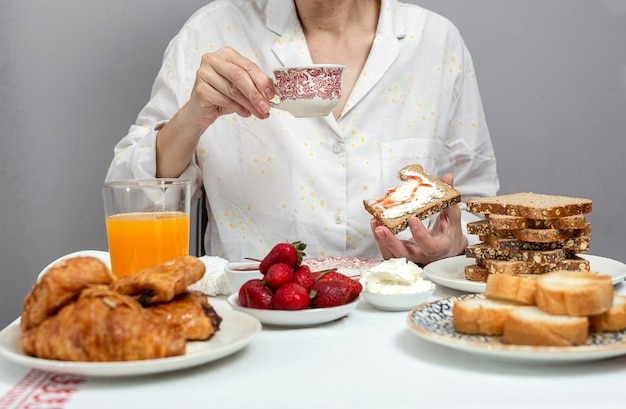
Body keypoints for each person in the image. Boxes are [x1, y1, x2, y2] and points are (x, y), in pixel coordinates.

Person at [105, 0, 499, 265]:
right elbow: (132, 202)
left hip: (400, 324)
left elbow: (479, 208)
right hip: (253, 326)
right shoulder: (210, 31)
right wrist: (193, 116)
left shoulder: (436, 41)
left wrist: (453, 246)